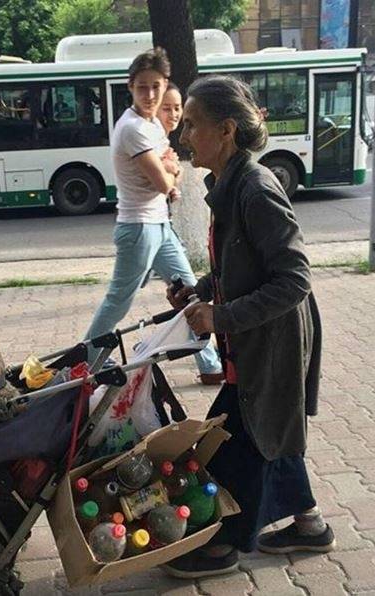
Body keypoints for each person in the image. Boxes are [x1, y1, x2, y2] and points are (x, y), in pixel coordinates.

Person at [161, 74, 333, 579]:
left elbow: (294, 278)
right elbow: (239, 263)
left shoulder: (255, 188)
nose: (183, 136)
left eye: (192, 125)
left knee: (234, 442)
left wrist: (222, 315)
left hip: (273, 342)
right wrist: (200, 290)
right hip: (253, 340)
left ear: (226, 130)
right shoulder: (227, 186)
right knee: (266, 431)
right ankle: (309, 525)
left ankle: (223, 543)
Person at [83, 48, 223, 384]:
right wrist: (170, 172)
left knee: (189, 291)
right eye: (142, 87)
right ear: (130, 86)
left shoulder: (152, 126)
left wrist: (171, 170)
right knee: (119, 301)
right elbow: (164, 182)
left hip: (160, 225)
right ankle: (86, 360)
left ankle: (209, 364)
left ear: (165, 85)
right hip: (138, 228)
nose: (150, 95)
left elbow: (173, 169)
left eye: (156, 87)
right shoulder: (132, 128)